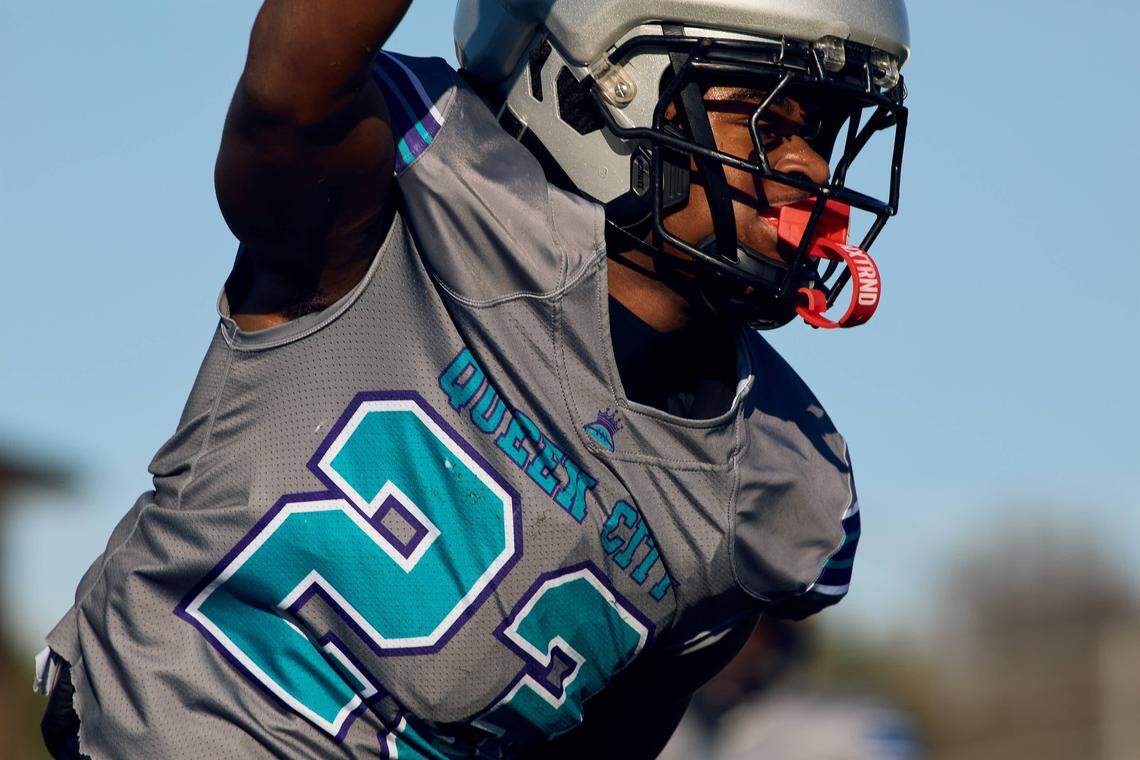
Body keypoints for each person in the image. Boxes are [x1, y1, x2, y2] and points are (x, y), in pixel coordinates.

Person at [37, 0, 910, 757]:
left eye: (819, 130)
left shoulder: (774, 482)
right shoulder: (403, 195)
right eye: (764, 116)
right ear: (598, 88)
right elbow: (288, 91)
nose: (808, 169)